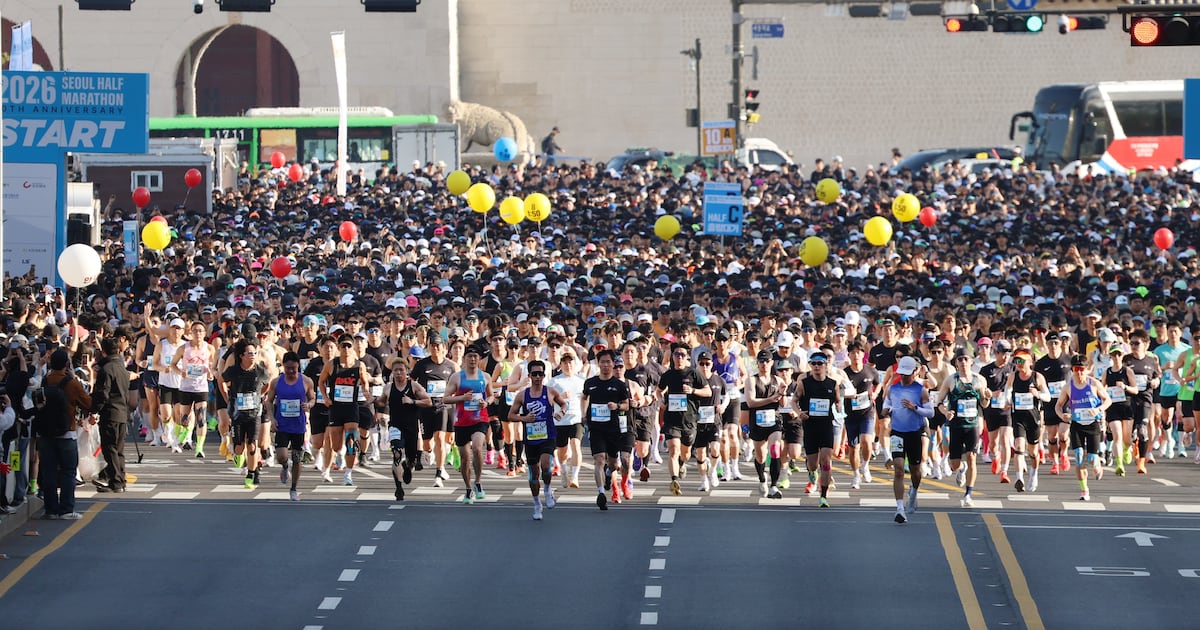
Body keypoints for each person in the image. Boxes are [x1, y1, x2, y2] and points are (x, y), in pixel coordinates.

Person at [34, 349, 93, 520]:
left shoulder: (45, 380)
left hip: (45, 433)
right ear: (67, 364)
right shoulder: (71, 383)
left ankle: (50, 509)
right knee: (68, 471)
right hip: (67, 432)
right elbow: (87, 402)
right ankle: (66, 509)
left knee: (49, 471)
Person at [509, 360, 567, 520]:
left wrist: (561, 413)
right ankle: (536, 504)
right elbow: (510, 415)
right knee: (534, 475)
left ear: (544, 375)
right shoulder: (523, 395)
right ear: (529, 376)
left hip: (547, 435)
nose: (537, 377)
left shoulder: (550, 392)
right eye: (534, 374)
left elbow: (563, 404)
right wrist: (524, 418)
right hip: (531, 437)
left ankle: (547, 489)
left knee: (546, 464)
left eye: (540, 374)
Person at [1055, 354, 1112, 501]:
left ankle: (1097, 464)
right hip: (1077, 425)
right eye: (1076, 369)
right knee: (1079, 458)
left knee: (1092, 458)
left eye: (1081, 369)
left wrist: (1098, 409)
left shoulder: (1094, 384)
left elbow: (1108, 400)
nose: (1079, 373)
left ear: (1087, 370)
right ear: (1072, 370)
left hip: (1093, 424)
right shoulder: (1068, 387)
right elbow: (1058, 406)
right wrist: (1062, 416)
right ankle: (1084, 490)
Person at [443, 346, 494, 505]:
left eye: (475, 356)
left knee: (477, 448)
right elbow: (446, 398)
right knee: (465, 458)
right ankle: (467, 488)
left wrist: (487, 403)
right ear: (465, 358)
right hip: (462, 422)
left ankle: (478, 482)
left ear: (479, 359)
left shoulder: (485, 376)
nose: (472, 359)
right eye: (470, 356)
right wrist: (462, 397)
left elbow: (491, 396)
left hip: (480, 419)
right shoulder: (457, 377)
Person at [939, 348, 990, 507]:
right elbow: (939, 402)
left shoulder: (979, 380)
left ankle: (968, 494)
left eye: (966, 359)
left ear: (971, 362)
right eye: (960, 359)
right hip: (956, 425)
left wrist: (987, 398)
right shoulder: (951, 380)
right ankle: (961, 469)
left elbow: (983, 404)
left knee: (972, 457)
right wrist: (946, 412)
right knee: (955, 464)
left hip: (972, 424)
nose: (963, 362)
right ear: (956, 363)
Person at [581, 349, 631, 510]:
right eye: (602, 362)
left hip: (613, 428)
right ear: (598, 363)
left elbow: (626, 404)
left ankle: (609, 475)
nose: (605, 365)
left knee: (613, 463)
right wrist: (583, 413)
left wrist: (616, 406)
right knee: (599, 460)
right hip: (596, 428)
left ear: (612, 364)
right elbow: (584, 397)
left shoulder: (619, 385)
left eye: (608, 362)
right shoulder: (590, 383)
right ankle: (601, 493)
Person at [375, 357, 431, 500]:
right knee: (396, 454)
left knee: (410, 458)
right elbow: (381, 401)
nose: (398, 373)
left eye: (401, 370)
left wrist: (412, 401)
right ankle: (398, 488)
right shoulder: (388, 387)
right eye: (395, 370)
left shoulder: (414, 386)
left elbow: (428, 402)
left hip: (411, 426)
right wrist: (376, 400)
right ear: (392, 372)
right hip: (395, 426)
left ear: (407, 371)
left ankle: (409, 465)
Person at [886, 356, 933, 524]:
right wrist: (886, 411)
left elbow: (930, 413)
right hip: (897, 432)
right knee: (898, 469)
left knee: (916, 471)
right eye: (902, 374)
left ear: (915, 372)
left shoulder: (921, 390)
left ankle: (913, 491)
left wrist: (915, 408)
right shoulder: (893, 389)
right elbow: (885, 406)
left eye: (907, 374)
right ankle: (899, 509)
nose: (904, 377)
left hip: (914, 432)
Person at [659, 343, 710, 496]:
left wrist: (693, 390)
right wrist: (660, 401)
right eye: (676, 354)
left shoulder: (693, 373)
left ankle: (682, 464)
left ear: (687, 356)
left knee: (685, 453)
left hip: (689, 419)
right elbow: (658, 390)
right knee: (673, 449)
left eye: (682, 354)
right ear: (672, 356)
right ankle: (674, 480)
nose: (679, 357)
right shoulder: (667, 375)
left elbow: (707, 391)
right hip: (671, 420)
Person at [264, 352, 316, 501]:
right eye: (288, 368)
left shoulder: (306, 381)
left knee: (297, 458)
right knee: (281, 456)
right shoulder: (276, 382)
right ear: (283, 367)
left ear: (298, 366)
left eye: (293, 368)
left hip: (298, 425)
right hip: (282, 424)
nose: (291, 371)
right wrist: (272, 419)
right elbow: (268, 401)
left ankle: (294, 488)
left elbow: (312, 398)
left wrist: (309, 405)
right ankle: (285, 466)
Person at [793, 351, 842, 507]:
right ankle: (811, 472)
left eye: (819, 363)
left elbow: (838, 401)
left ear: (826, 365)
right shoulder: (804, 383)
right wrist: (799, 412)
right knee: (813, 464)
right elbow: (794, 401)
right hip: (810, 426)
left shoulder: (833, 384)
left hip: (827, 426)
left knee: (826, 461)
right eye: (813, 363)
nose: (816, 366)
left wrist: (839, 408)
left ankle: (823, 496)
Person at [221, 339, 271, 489]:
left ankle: (251, 473)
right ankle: (236, 452)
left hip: (254, 413)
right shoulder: (234, 370)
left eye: (255, 353)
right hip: (237, 414)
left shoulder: (260, 370)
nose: (253, 356)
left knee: (252, 444)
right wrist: (226, 397)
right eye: (249, 353)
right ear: (241, 355)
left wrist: (261, 395)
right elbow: (220, 379)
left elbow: (268, 383)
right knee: (239, 447)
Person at [90, 336, 131, 493]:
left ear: (104, 351)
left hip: (110, 413)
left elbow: (102, 394)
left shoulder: (106, 370)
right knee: (118, 449)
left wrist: (94, 410)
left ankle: (116, 481)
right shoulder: (121, 367)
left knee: (110, 448)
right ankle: (121, 478)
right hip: (122, 412)